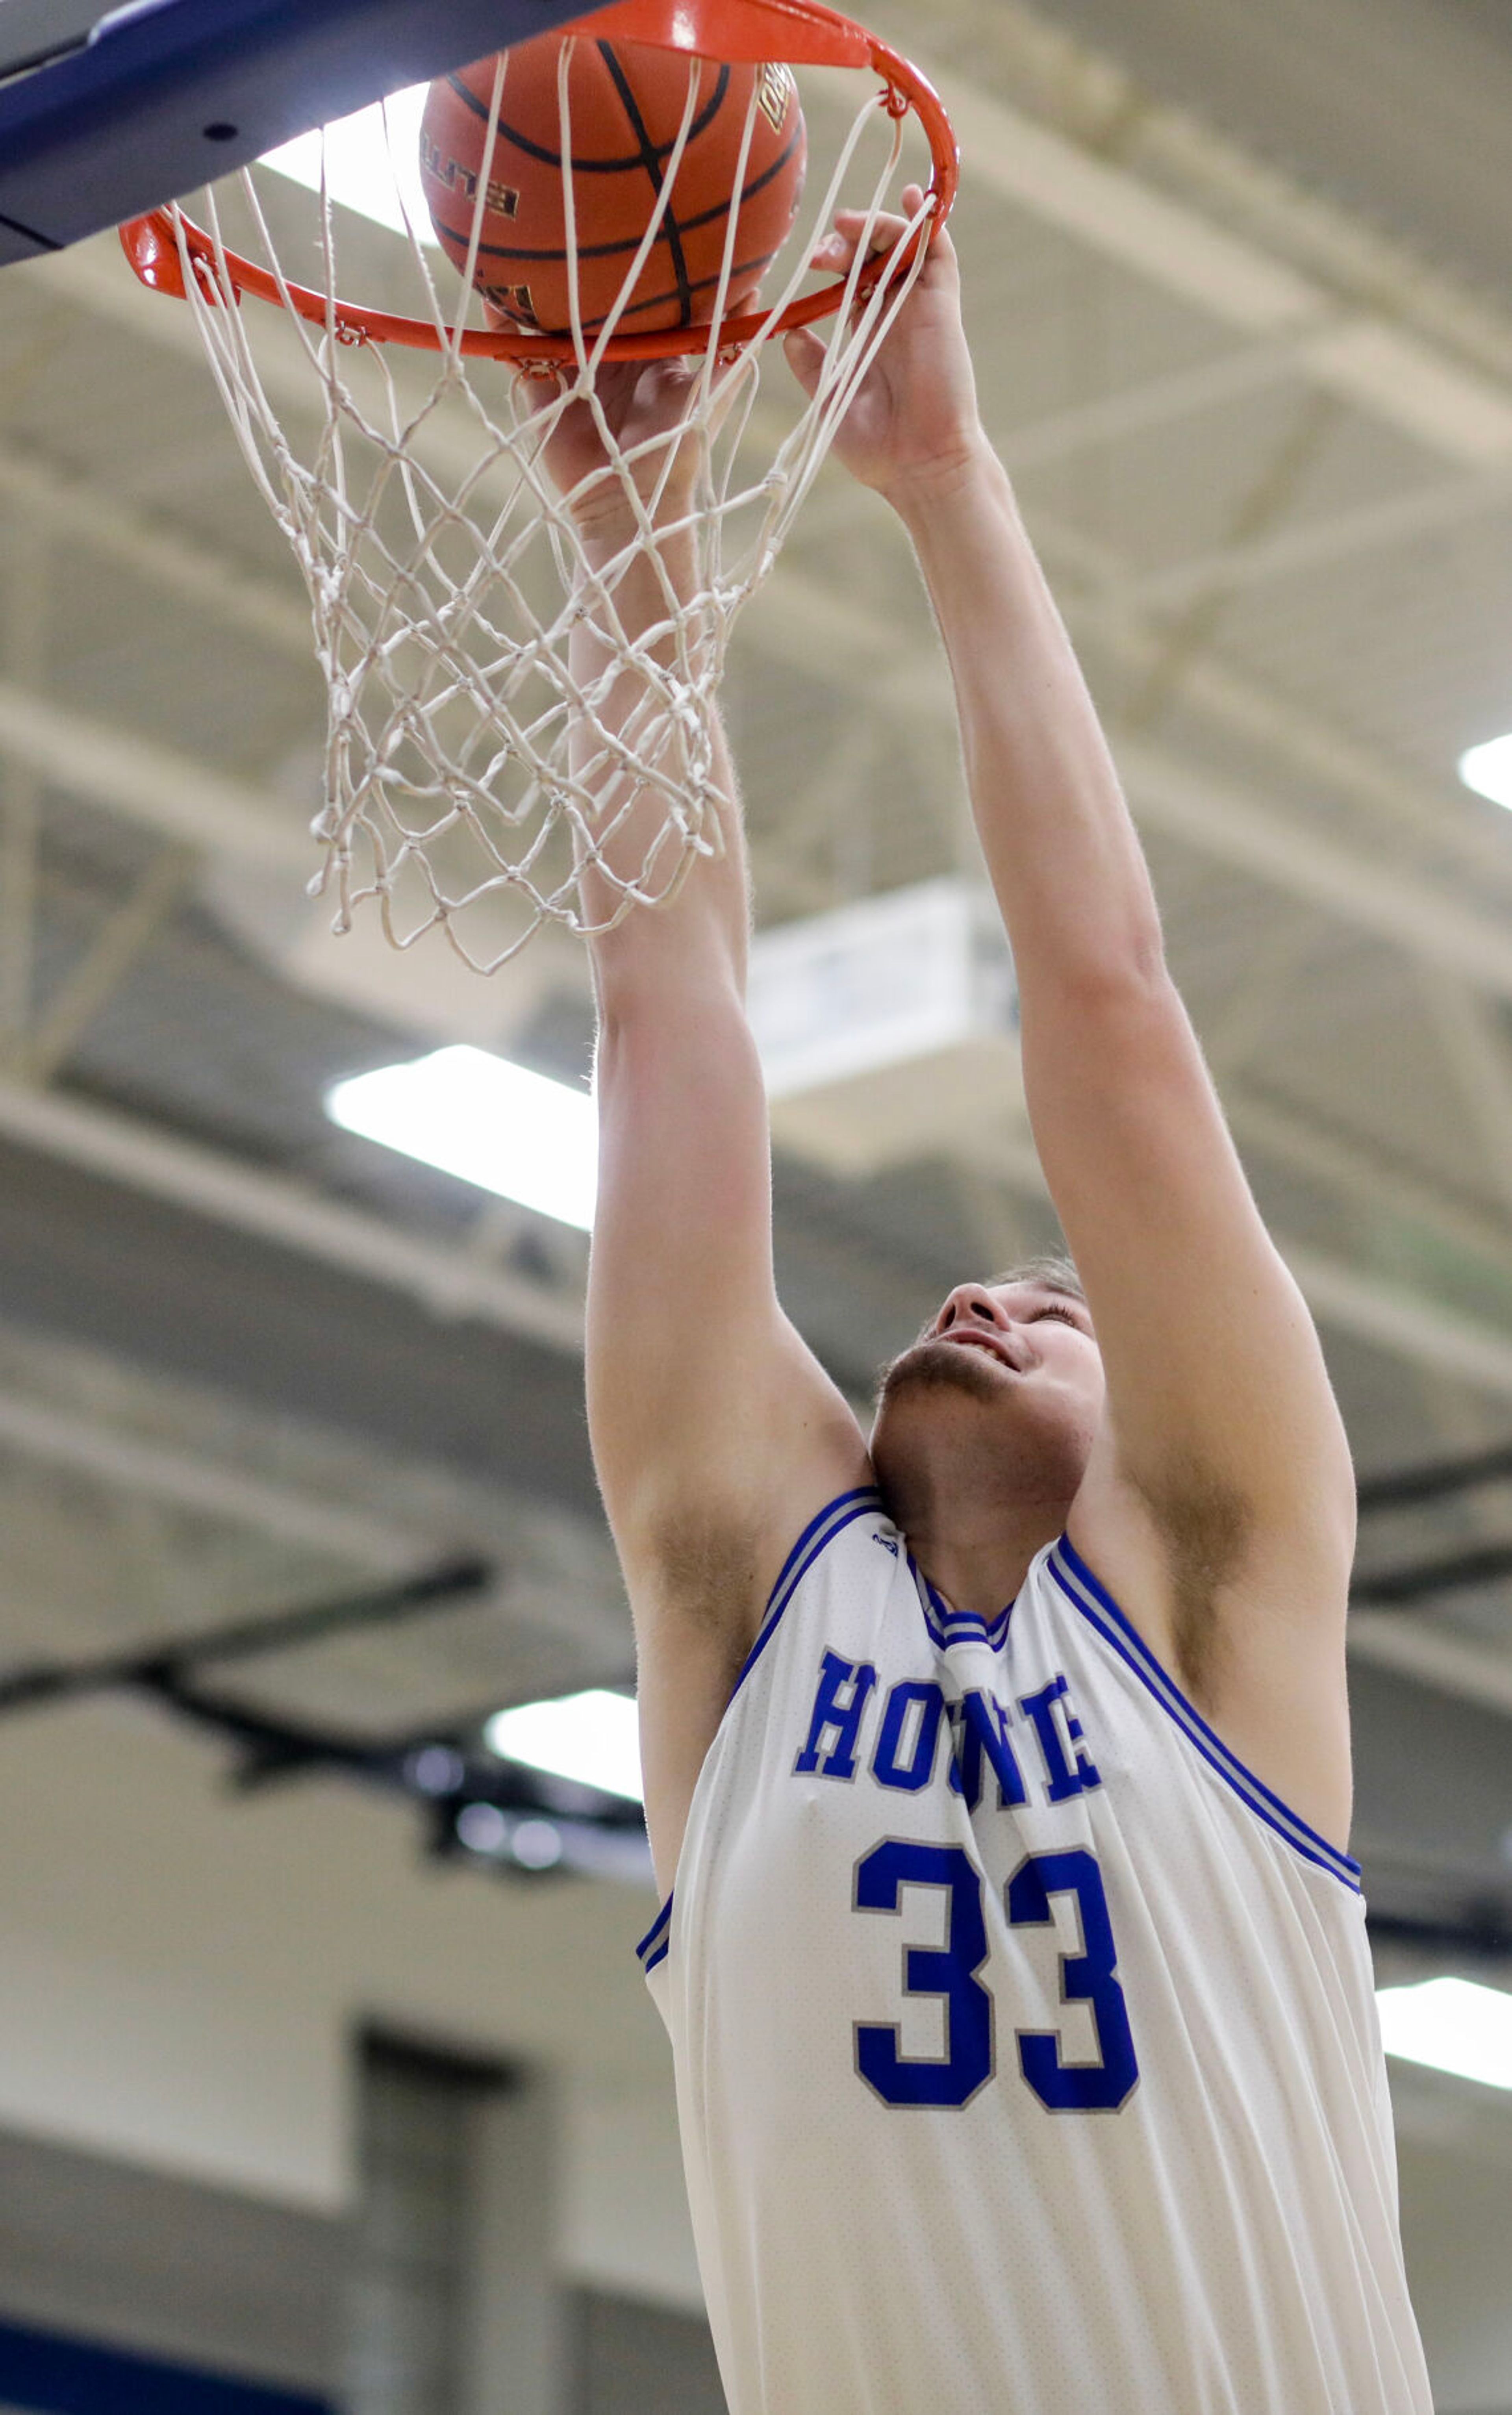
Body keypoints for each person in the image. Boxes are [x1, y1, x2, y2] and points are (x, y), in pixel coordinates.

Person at [544, 190, 1434, 2413]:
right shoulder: (750, 1582)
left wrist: (947, 480)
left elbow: (1108, 1002)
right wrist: (634, 523)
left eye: (1058, 1296)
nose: (995, 1286)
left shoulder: (1224, 1585)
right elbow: (674, 1021)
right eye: (1005, 1285)